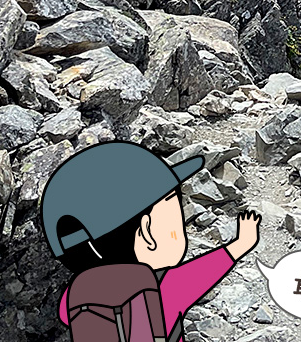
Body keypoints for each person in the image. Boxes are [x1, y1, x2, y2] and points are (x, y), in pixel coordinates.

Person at [43, 141, 259, 342]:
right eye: (176, 214)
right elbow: (200, 273)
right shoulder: (163, 289)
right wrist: (241, 244)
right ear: (147, 232)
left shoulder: (73, 297)